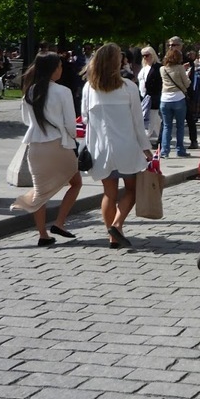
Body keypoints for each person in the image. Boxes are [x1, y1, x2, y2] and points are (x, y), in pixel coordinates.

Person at [81, 44, 153, 249]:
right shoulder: (128, 87)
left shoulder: (89, 88)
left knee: (109, 193)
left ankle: (112, 236)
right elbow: (138, 121)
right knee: (132, 189)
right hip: (126, 145)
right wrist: (146, 148)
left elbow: (85, 118)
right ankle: (117, 224)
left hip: (100, 147)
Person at [11, 51, 83, 245]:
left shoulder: (30, 91)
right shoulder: (63, 91)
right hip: (59, 144)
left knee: (40, 192)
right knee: (76, 183)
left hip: (35, 145)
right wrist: (74, 137)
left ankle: (42, 234)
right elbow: (70, 124)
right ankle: (59, 222)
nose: (61, 69)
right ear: (53, 69)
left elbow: (27, 120)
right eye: (59, 66)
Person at [158, 45, 191, 158]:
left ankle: (164, 151)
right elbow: (186, 84)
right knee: (180, 126)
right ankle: (180, 150)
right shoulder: (180, 68)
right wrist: (187, 75)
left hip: (165, 99)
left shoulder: (162, 69)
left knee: (167, 126)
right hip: (178, 98)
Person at [137, 46, 163, 145]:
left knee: (150, 119)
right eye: (143, 56)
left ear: (152, 55)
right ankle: (162, 138)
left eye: (147, 55)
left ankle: (144, 140)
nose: (145, 58)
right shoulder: (144, 68)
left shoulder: (158, 67)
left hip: (154, 97)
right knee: (156, 121)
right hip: (145, 97)